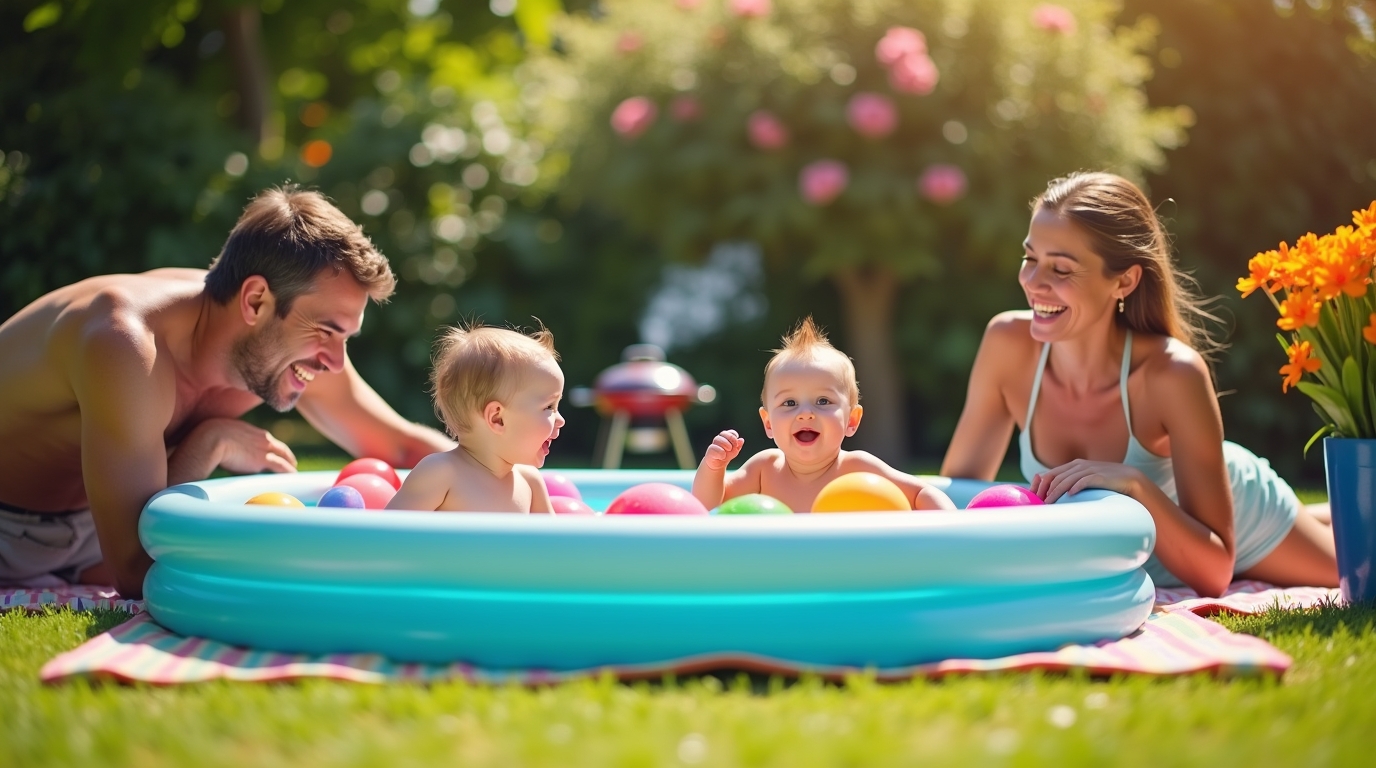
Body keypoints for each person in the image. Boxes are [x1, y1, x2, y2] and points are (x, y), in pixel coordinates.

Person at [0, 186, 455, 596]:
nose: (336, 362)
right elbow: (137, 572)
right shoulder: (126, 342)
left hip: (91, 533)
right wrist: (211, 441)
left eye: (345, 338)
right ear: (255, 301)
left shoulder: (284, 333)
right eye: (327, 331)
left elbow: (400, 445)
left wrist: (516, 477)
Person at [941, 172, 1338, 596]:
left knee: (1357, 569)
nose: (1033, 282)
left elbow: (1214, 572)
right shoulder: (1007, 345)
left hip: (1237, 522)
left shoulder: (1172, 374)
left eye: (1060, 268)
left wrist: (1134, 484)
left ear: (1124, 281)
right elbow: (959, 498)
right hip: (1135, 552)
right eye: (1029, 258)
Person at [693, 318, 956, 513]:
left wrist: (950, 526)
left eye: (823, 401)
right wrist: (714, 468)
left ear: (851, 420)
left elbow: (922, 492)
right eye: (789, 402)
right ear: (769, 423)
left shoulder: (858, 469)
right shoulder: (764, 470)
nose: (805, 413)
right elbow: (707, 507)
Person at [386, 324, 564, 514]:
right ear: (497, 419)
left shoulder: (530, 483)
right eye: (549, 407)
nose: (561, 420)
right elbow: (385, 538)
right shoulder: (440, 474)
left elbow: (554, 544)